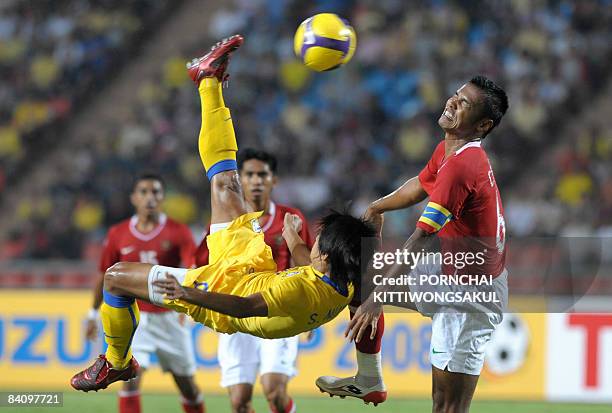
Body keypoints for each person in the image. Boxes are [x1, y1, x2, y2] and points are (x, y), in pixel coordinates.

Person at [70, 34, 377, 393]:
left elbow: (244, 307)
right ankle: (207, 79)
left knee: (115, 278)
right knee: (227, 182)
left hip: (221, 294)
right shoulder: (344, 279)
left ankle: (116, 363)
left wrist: (188, 295)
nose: (314, 241)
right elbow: (311, 268)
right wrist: (294, 239)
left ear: (326, 254)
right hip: (253, 267)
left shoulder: (298, 290)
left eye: (318, 240)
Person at [329, 75, 509, 413]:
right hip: (448, 276)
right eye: (456, 95)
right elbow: (421, 184)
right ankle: (369, 379)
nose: (452, 102)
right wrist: (377, 206)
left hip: (470, 297)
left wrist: (379, 298)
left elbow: (422, 236)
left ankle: (371, 373)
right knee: (361, 278)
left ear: (483, 125)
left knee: (447, 406)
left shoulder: (464, 166)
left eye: (464, 103)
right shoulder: (448, 150)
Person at [195, 148, 314, 413]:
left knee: (275, 393)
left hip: (278, 309)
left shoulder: (290, 218)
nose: (256, 180)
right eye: (249, 174)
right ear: (241, 180)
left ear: (274, 180)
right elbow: (204, 264)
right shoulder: (227, 220)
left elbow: (307, 265)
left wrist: (309, 311)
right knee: (239, 401)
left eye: (263, 174)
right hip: (236, 311)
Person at [85, 173, 204, 413]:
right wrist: (92, 313)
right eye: (144, 192)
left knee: (188, 387)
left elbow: (193, 268)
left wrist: (190, 304)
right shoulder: (118, 233)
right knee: (129, 381)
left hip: (171, 317)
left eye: (155, 192)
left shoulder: (178, 231)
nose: (150, 197)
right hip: (136, 318)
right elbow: (104, 275)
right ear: (134, 198)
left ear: (162, 198)